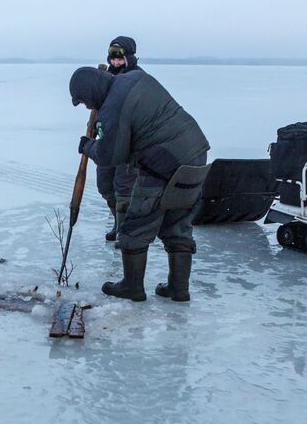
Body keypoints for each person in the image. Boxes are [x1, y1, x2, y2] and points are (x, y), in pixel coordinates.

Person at [69, 65, 209, 302]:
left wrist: (88, 146)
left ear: (91, 90)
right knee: (177, 222)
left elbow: (112, 155)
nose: (88, 107)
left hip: (163, 161)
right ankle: (178, 289)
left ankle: (132, 287)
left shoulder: (113, 106)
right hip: (196, 153)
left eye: (85, 102)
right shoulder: (134, 78)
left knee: (136, 224)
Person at [96, 36, 142, 243]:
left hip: (130, 144)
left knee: (124, 188)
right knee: (105, 186)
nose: (115, 63)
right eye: (113, 59)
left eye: (119, 59)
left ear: (128, 58)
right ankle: (117, 221)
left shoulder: (137, 78)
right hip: (107, 141)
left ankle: (125, 231)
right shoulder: (106, 78)